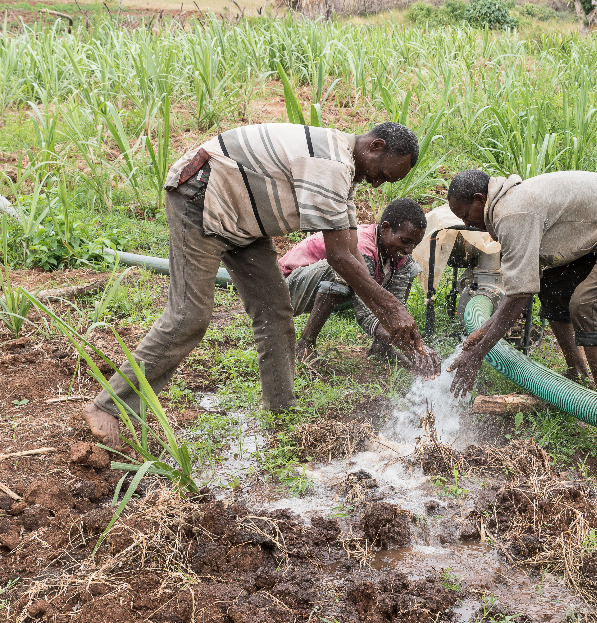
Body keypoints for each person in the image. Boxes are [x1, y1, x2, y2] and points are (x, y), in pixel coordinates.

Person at [82, 122, 440, 448]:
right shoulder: (332, 164)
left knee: (276, 314)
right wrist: (392, 309)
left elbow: (349, 251)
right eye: (382, 174)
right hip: (202, 199)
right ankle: (107, 405)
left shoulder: (345, 171)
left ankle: (281, 414)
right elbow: (340, 258)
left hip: (244, 221)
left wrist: (390, 313)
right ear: (375, 146)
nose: (377, 184)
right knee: (188, 316)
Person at [445, 169, 597, 399]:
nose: (467, 224)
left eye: (465, 215)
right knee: (551, 287)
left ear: (479, 199)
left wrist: (478, 354)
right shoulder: (507, 203)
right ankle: (577, 372)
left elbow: (519, 295)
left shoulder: (512, 213)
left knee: (587, 304)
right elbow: (522, 289)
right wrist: (482, 331)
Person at [280, 198, 426, 367]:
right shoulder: (362, 247)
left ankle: (381, 347)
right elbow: (367, 313)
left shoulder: (399, 257)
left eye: (414, 244)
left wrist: (402, 336)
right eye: (405, 241)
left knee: (411, 267)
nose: (409, 250)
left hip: (317, 291)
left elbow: (393, 310)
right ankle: (305, 343)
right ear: (385, 228)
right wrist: (413, 347)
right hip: (284, 291)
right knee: (343, 266)